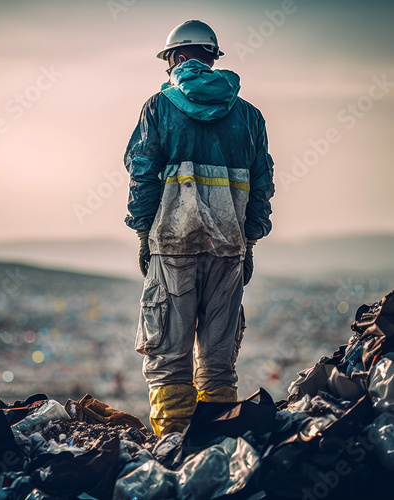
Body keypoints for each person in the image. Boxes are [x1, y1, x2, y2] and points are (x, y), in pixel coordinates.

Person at [124, 20, 275, 437]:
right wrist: (250, 239)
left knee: (169, 355)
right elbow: (262, 184)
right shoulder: (249, 117)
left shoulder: (158, 107)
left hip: (173, 247)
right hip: (229, 249)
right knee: (218, 359)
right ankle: (215, 445)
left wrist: (142, 232)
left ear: (173, 59)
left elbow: (142, 174)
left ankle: (173, 445)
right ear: (212, 59)